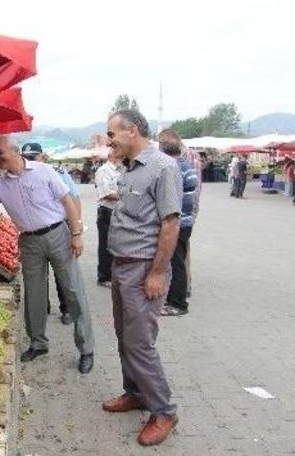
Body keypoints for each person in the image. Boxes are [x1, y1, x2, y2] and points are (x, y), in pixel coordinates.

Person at [0, 136, 95, 374]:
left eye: (0, 152)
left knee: (73, 290)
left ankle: (86, 348)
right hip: (29, 241)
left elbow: (68, 201)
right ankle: (38, 343)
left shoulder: (44, 171)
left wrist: (76, 233)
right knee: (34, 293)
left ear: (16, 151)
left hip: (58, 234)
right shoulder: (0, 185)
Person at [102, 109, 181, 446]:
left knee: (139, 343)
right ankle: (135, 393)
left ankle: (164, 411)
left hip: (143, 268)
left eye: (112, 134)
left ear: (131, 130)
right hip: (122, 266)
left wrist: (158, 273)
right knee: (125, 337)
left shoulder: (163, 167)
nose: (109, 141)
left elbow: (171, 224)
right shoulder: (130, 168)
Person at [21, 142, 80, 325]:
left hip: (59, 228)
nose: (30, 160)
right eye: (27, 157)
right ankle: (42, 306)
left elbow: (74, 199)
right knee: (38, 275)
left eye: (34, 157)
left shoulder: (57, 173)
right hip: (34, 233)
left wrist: (76, 229)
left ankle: (67, 309)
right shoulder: (20, 176)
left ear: (42, 156)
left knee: (63, 273)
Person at [159, 139, 198, 316]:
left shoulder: (174, 168)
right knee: (178, 261)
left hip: (178, 222)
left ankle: (178, 303)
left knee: (176, 262)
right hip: (186, 220)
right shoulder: (186, 166)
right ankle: (174, 298)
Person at [94, 152, 121, 287]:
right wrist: (128, 195)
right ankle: (104, 277)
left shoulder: (122, 169)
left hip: (119, 211)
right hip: (107, 211)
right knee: (106, 245)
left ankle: (115, 274)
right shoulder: (104, 171)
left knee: (118, 244)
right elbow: (107, 193)